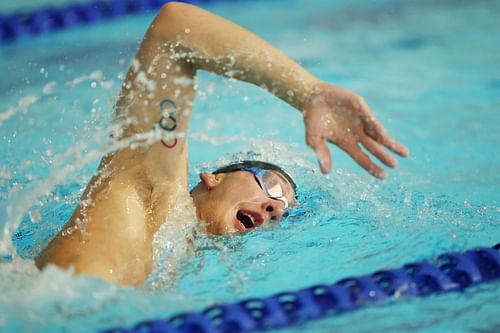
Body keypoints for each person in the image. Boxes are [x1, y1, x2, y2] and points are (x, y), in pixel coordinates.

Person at [35, 2, 409, 286]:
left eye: (283, 210)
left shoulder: (176, 257)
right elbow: (174, 28)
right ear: (212, 178)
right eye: (270, 186)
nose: (276, 208)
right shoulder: (150, 190)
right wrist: (308, 92)